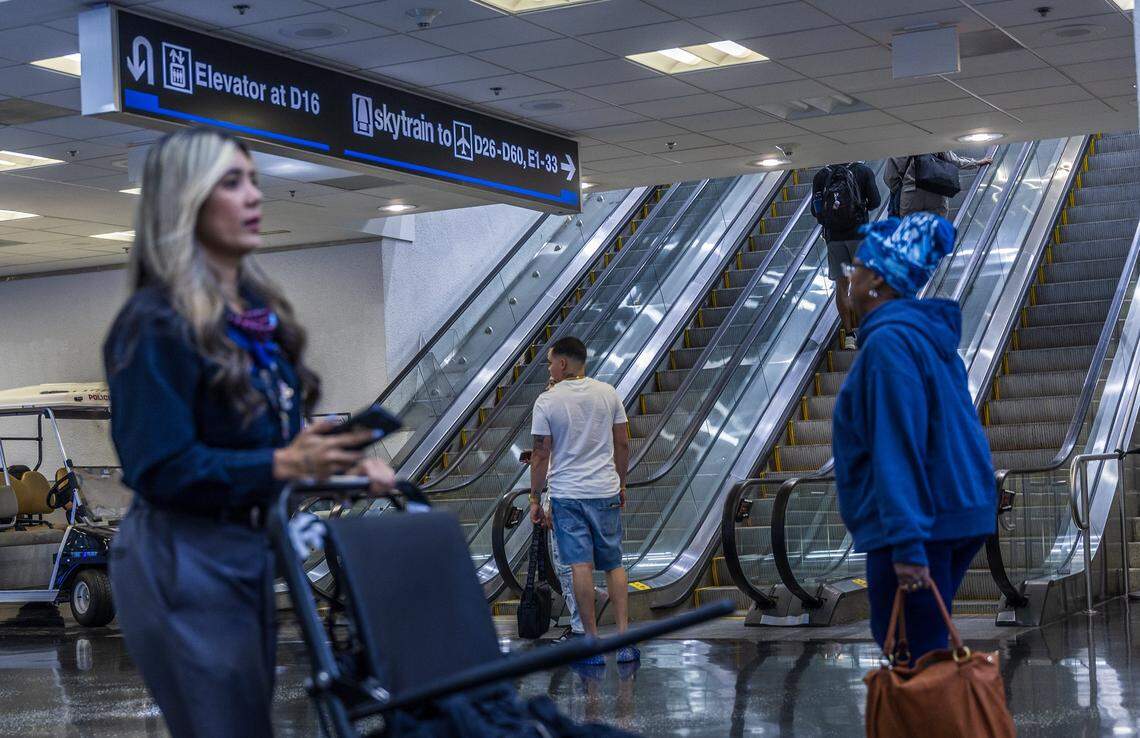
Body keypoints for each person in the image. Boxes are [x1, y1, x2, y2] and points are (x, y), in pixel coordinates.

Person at [103, 127, 396, 738]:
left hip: (247, 549)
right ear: (185, 200)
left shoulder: (254, 310)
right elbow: (160, 467)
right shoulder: (154, 324)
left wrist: (338, 465)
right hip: (180, 558)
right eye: (231, 183)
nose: (253, 197)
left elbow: (268, 445)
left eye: (254, 181)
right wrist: (288, 466)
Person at [832, 212, 996, 663]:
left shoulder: (889, 345)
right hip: (953, 509)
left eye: (857, 269)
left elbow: (896, 447)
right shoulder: (924, 338)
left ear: (878, 284)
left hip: (919, 523)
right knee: (924, 652)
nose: (849, 278)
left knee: (913, 660)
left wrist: (906, 543)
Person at [528, 336, 635, 664]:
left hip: (568, 496)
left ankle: (591, 643)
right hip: (604, 490)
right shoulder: (609, 392)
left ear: (561, 364)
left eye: (549, 362)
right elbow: (623, 444)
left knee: (580, 567)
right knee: (614, 565)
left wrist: (535, 498)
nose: (549, 367)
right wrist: (621, 482)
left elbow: (539, 456)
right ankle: (625, 640)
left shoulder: (546, 401)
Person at [812, 161, 881, 350]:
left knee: (842, 286)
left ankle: (850, 335)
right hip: (859, 236)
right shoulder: (863, 171)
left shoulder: (821, 175)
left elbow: (815, 210)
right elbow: (876, 202)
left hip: (834, 239)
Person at [884, 151, 993, 219]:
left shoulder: (900, 146)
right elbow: (954, 161)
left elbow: (889, 177)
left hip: (911, 193)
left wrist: (902, 189)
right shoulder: (934, 141)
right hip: (936, 191)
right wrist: (977, 162)